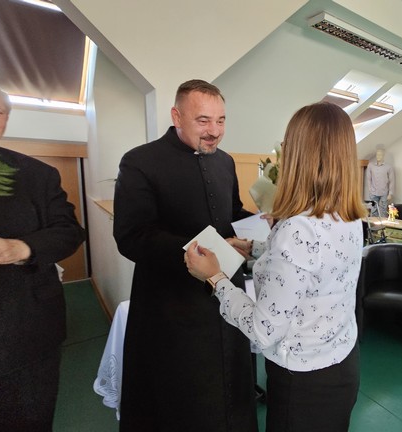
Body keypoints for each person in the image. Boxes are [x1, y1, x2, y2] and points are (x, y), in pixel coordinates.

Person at [185, 101, 365, 432]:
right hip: (341, 363)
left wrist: (215, 278)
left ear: (299, 154)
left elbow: (264, 330)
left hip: (303, 383)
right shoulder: (349, 214)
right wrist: (256, 248)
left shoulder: (297, 229)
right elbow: (317, 265)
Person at [113, 79, 258, 430]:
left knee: (232, 391)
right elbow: (132, 236)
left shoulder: (225, 162)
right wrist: (203, 251)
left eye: (220, 120)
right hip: (172, 307)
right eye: (203, 120)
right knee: (181, 400)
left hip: (226, 296)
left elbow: (231, 213)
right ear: (177, 117)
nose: (214, 131)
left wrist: (258, 228)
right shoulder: (140, 162)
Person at [0, 72, 85, 430]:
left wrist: (21, 248)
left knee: (21, 418)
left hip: (20, 324)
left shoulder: (37, 174)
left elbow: (69, 231)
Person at [365, 148, 395, 217]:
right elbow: (368, 178)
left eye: (380, 155)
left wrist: (390, 193)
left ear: (383, 156)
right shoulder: (371, 165)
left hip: (384, 192)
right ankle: (374, 223)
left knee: (384, 210)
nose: (378, 156)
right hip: (373, 192)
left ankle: (384, 223)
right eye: (377, 154)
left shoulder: (389, 167)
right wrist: (370, 189)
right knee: (373, 210)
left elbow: (392, 181)